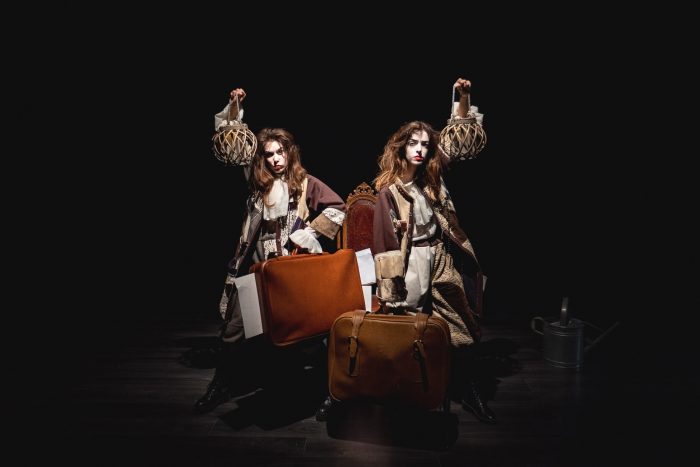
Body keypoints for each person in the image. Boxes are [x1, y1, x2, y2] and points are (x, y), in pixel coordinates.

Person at [194, 88, 346, 414]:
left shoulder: (306, 183)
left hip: (290, 270)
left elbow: (338, 208)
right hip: (255, 268)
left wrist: (308, 233)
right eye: (269, 154)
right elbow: (234, 145)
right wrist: (235, 107)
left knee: (305, 332)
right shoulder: (256, 182)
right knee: (236, 329)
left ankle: (329, 390)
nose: (275, 159)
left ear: (289, 153)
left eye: (280, 152)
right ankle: (222, 384)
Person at [371, 78, 496, 423]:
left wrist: (464, 98)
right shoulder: (388, 192)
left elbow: (458, 140)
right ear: (401, 147)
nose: (420, 150)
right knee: (407, 330)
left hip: (439, 257)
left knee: (461, 324)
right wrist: (390, 288)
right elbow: (383, 246)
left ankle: (469, 391)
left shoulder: (433, 177)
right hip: (409, 262)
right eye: (413, 143)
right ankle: (406, 393)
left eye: (425, 144)